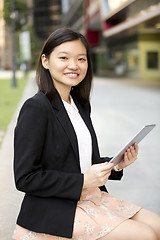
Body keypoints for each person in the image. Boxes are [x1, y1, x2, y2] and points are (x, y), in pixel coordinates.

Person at [12, 28, 160, 240]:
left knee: (156, 223)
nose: (74, 65)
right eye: (64, 58)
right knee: (144, 235)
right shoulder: (36, 108)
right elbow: (25, 178)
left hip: (91, 197)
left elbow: (80, 161)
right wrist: (83, 181)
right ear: (45, 61)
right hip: (56, 207)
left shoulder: (79, 105)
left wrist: (117, 164)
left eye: (81, 58)